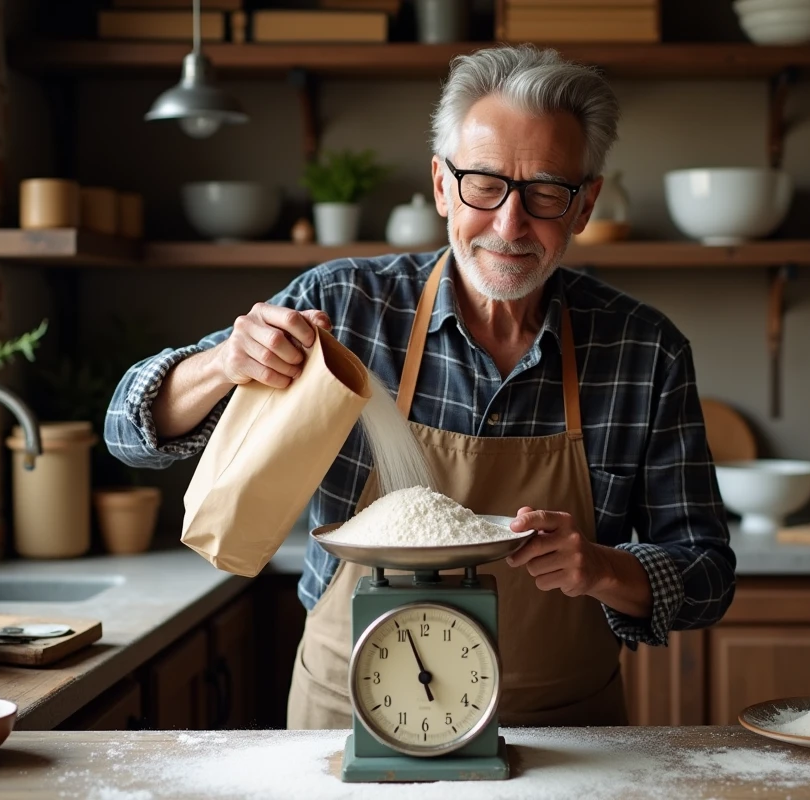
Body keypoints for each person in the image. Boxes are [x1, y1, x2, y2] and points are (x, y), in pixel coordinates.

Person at [105, 44, 735, 729]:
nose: (509, 224)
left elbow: (707, 576)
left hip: (565, 737)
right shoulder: (343, 306)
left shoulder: (644, 350)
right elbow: (126, 431)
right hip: (348, 715)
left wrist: (603, 569)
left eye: (546, 191)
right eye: (483, 183)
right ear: (441, 185)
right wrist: (225, 361)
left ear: (585, 204)